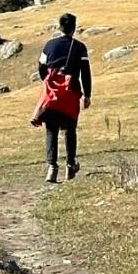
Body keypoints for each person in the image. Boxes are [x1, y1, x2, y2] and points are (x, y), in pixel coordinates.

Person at [36, 11, 92, 183]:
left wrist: (50, 83)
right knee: (69, 130)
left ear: (59, 27)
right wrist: (87, 95)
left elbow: (41, 68)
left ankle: (52, 168)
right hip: (71, 93)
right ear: (74, 28)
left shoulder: (49, 45)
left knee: (51, 130)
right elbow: (85, 72)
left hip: (52, 94)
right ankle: (70, 165)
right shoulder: (79, 47)